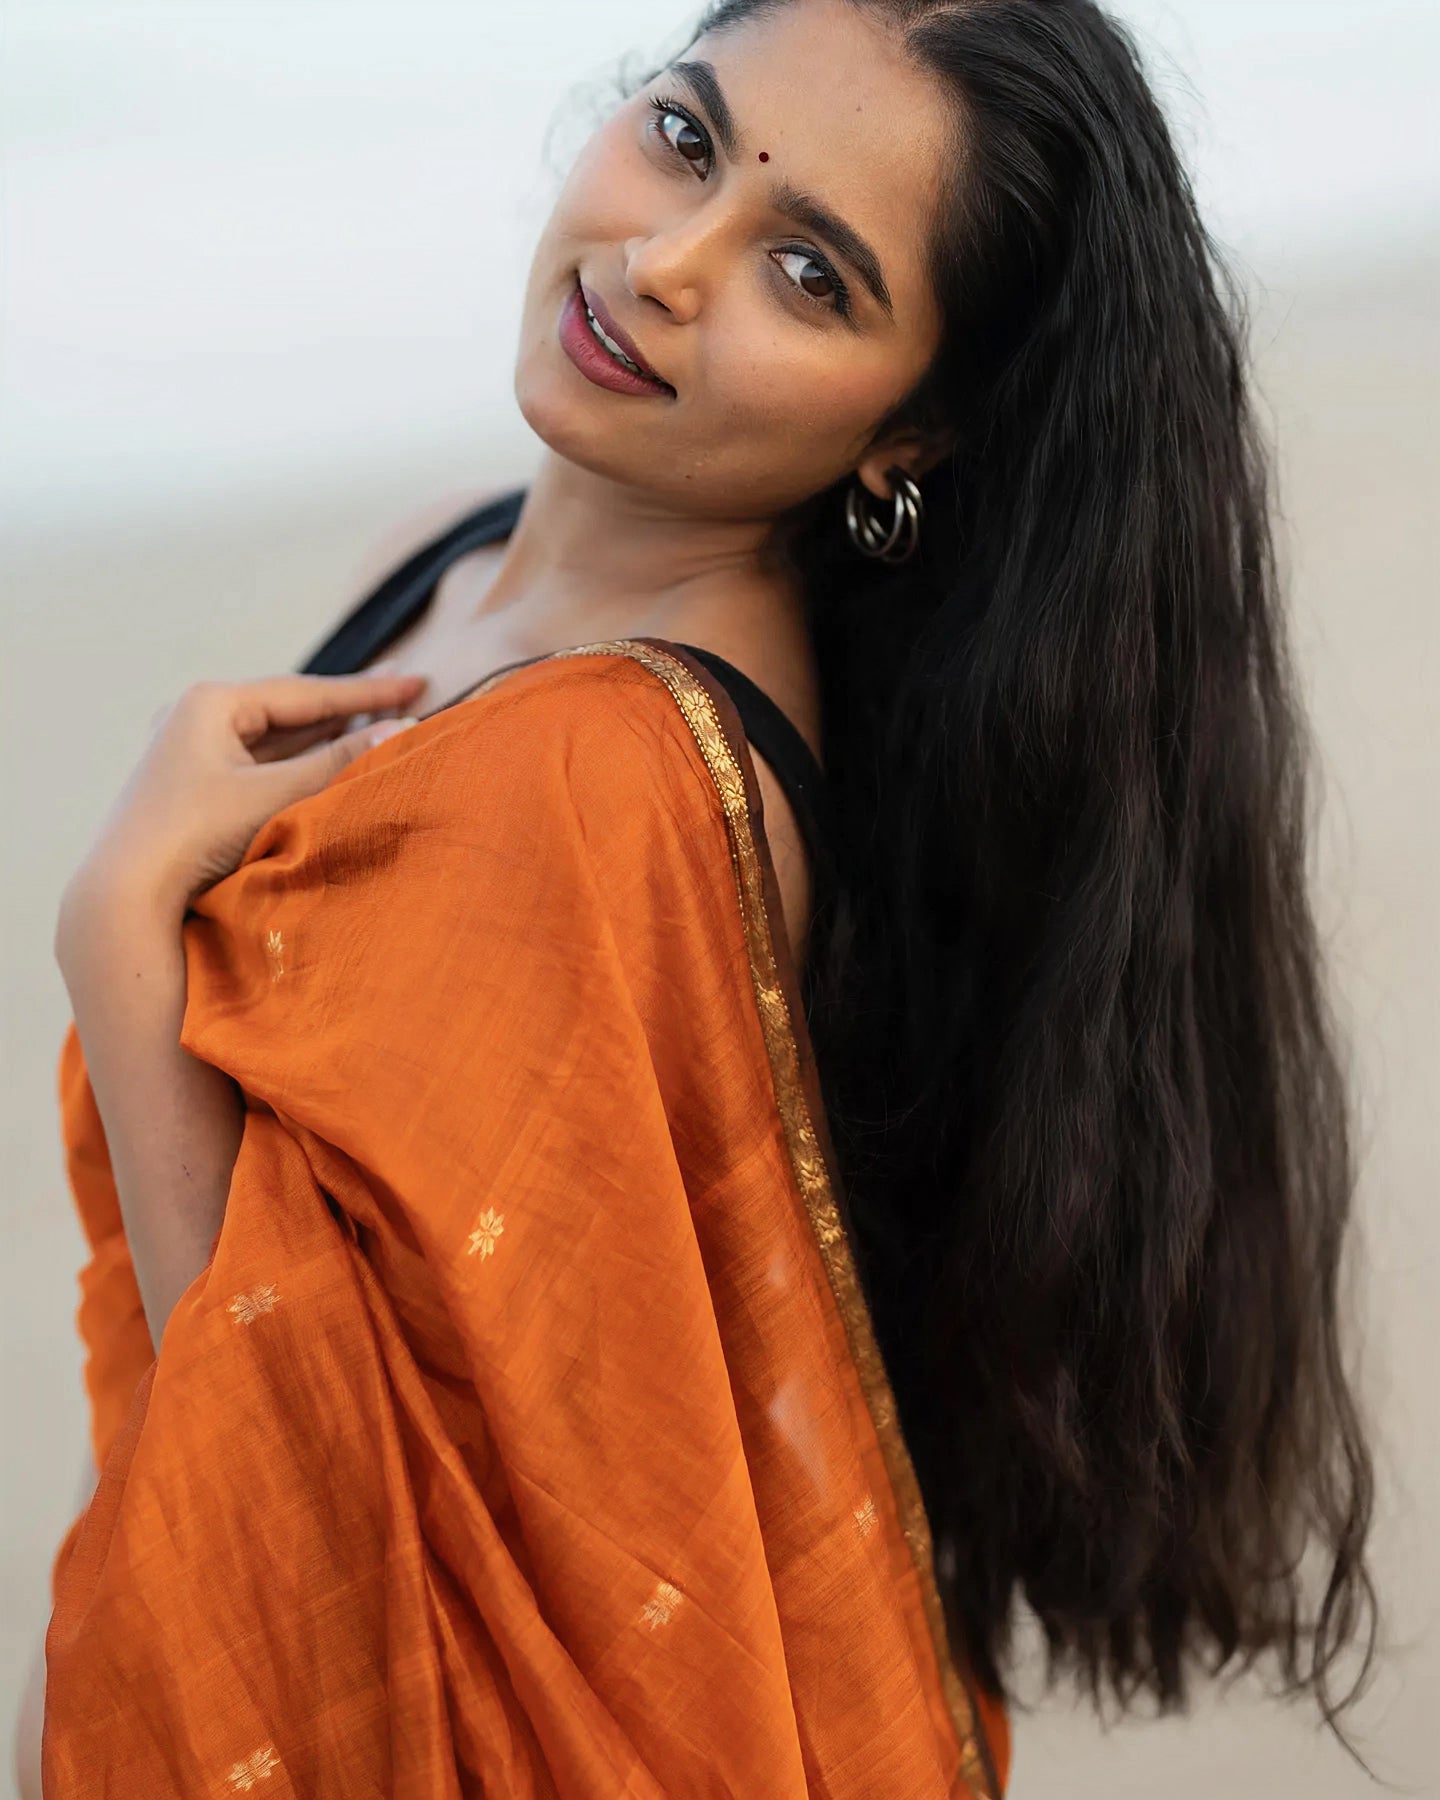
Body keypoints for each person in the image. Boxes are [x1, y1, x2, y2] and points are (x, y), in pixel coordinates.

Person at [19, 0, 1377, 1793]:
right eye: (684, 137)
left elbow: (309, 1507)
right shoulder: (443, 560)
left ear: (914, 435)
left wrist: (120, 926)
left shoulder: (601, 775)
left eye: (809, 274)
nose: (664, 263)